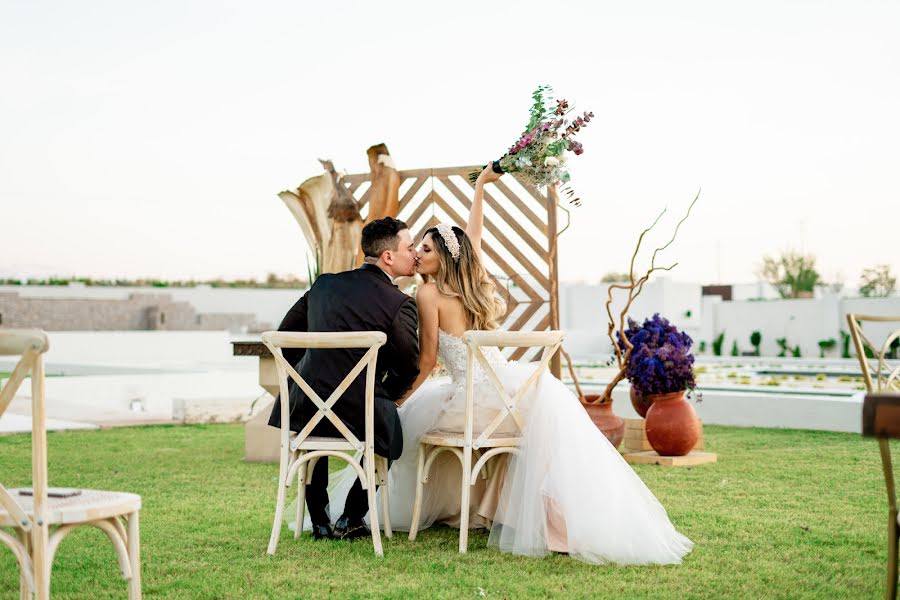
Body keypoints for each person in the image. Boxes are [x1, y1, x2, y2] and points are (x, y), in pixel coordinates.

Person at [309, 166, 694, 565]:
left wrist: (404, 396)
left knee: (404, 423)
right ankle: (546, 518)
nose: (417, 255)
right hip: (513, 389)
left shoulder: (428, 296)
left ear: (442, 257)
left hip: (476, 401)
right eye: (415, 248)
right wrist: (480, 193)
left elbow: (425, 363)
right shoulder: (471, 281)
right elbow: (470, 240)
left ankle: (408, 510)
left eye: (424, 249)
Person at [268, 216, 420, 540]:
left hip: (305, 409)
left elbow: (284, 336)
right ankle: (351, 516)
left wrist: (304, 378)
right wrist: (383, 394)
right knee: (388, 426)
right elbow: (408, 366)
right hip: (358, 415)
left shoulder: (323, 285)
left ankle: (319, 519)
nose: (415, 254)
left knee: (320, 420)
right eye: (410, 247)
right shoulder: (400, 304)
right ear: (388, 257)